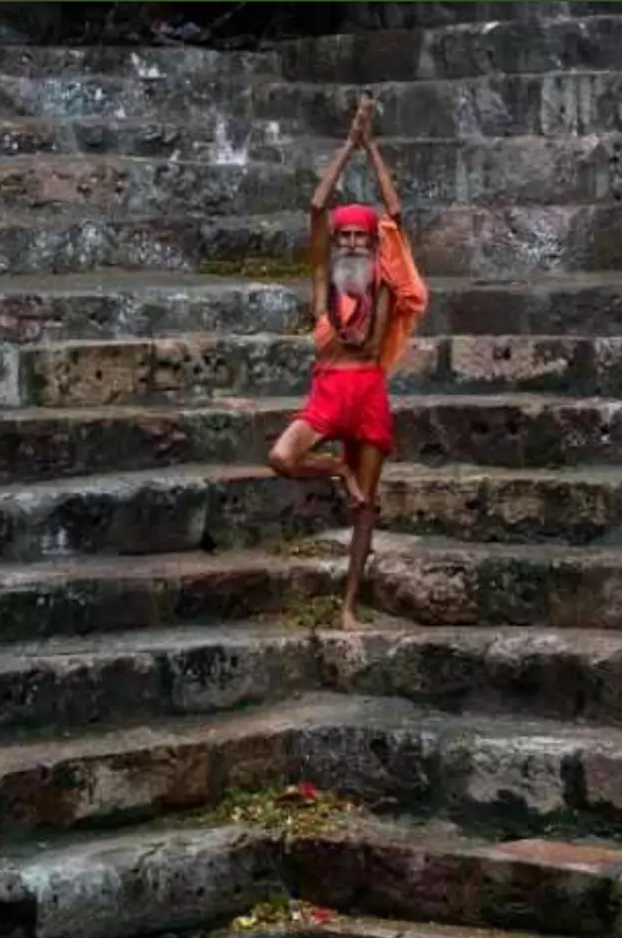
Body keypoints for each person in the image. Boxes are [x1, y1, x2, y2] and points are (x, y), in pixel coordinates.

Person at [267, 97, 428, 631]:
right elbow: (317, 207)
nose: (356, 243)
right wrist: (347, 145)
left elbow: (397, 217)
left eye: (363, 236)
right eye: (348, 237)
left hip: (369, 393)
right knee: (281, 458)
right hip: (329, 393)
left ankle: (349, 606)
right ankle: (338, 470)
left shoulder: (381, 283)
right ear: (337, 244)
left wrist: (373, 147)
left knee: (366, 508)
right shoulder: (325, 287)